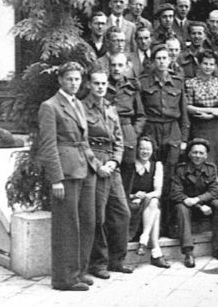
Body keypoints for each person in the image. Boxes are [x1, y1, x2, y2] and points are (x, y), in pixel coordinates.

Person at [37, 62, 103, 291]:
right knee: (67, 225)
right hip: (65, 172)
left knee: (87, 221)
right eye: (69, 79)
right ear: (60, 80)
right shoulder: (50, 106)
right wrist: (56, 178)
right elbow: (48, 145)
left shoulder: (78, 104)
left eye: (77, 79)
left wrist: (95, 164)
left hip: (84, 169)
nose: (74, 83)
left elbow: (83, 141)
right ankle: (64, 279)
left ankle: (79, 271)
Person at [83, 67, 133, 279]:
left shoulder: (111, 108)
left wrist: (114, 161)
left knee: (122, 213)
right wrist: (97, 165)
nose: (101, 87)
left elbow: (119, 140)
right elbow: (81, 142)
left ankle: (117, 260)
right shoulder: (82, 109)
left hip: (112, 166)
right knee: (99, 217)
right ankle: (98, 263)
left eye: (104, 84)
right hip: (94, 166)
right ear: (88, 85)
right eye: (97, 83)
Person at [139, 45, 190, 235]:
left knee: (170, 179)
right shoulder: (143, 82)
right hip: (151, 130)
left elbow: (184, 113)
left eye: (164, 58)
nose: (161, 61)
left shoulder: (177, 82)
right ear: (152, 62)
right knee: (151, 177)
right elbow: (140, 111)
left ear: (170, 60)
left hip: (172, 131)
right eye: (158, 58)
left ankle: (169, 225)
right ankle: (150, 224)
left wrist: (184, 138)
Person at [170, 138, 218, 268]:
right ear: (189, 154)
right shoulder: (180, 169)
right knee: (181, 208)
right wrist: (196, 204)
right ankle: (188, 252)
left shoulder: (211, 169)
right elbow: (175, 192)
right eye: (195, 152)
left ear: (206, 155)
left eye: (201, 153)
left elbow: (214, 191)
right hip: (187, 206)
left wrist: (198, 201)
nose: (197, 156)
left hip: (204, 205)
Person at [105, 52, 146, 196]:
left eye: (120, 65)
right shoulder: (102, 85)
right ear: (109, 67)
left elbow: (141, 115)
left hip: (127, 133)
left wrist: (133, 133)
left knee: (127, 173)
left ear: (126, 67)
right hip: (107, 132)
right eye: (113, 65)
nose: (116, 68)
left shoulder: (132, 87)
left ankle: (124, 210)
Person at [185, 49, 218, 175]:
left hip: (216, 125)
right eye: (205, 63)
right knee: (199, 155)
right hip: (199, 125)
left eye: (211, 64)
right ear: (199, 64)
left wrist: (213, 113)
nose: (208, 67)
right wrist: (205, 111)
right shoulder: (190, 83)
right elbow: (188, 106)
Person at [128, 136, 170, 269]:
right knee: (155, 209)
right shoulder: (130, 166)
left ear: (152, 150)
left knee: (154, 201)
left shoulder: (156, 166)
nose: (145, 152)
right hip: (130, 205)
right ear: (137, 150)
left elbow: (158, 191)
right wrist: (134, 195)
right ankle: (156, 252)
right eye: (142, 148)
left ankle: (144, 238)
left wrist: (143, 196)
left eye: (148, 149)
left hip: (146, 204)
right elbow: (122, 191)